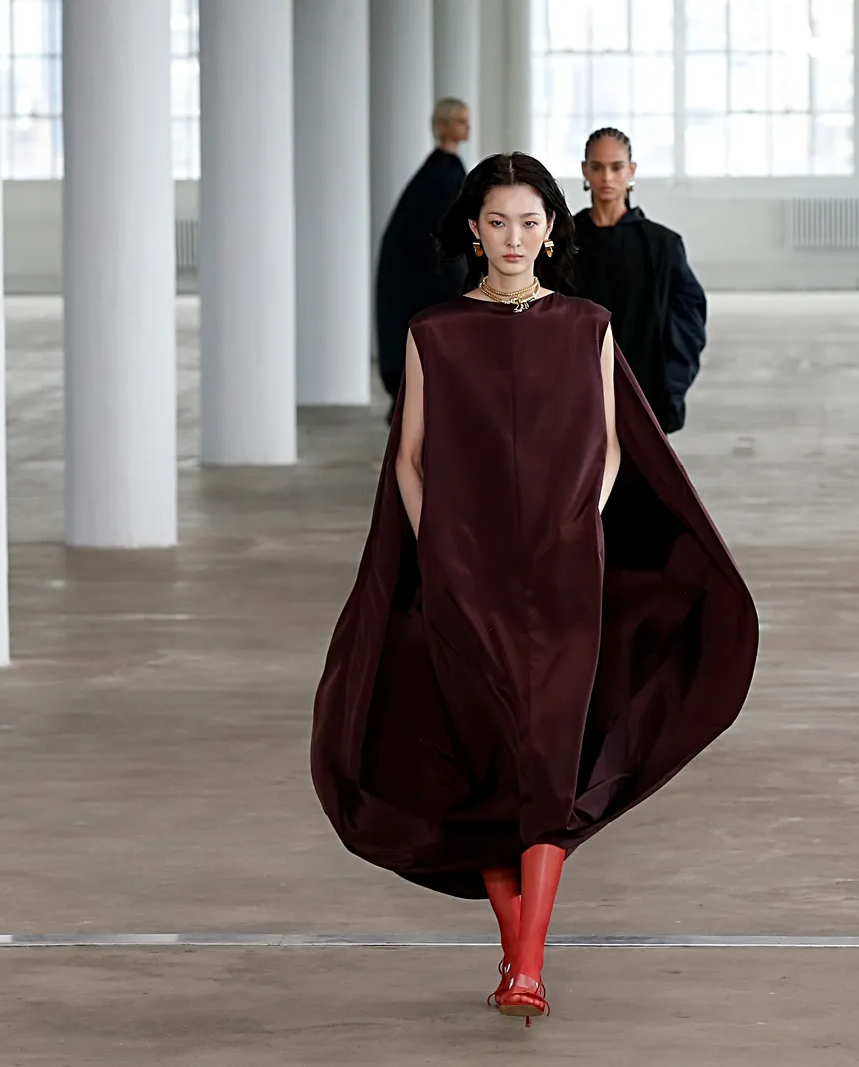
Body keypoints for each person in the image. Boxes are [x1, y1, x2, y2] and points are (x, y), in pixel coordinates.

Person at [310, 152, 759, 1024]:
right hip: (463, 568)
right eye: (496, 222)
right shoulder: (434, 330)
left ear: (552, 229)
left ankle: (527, 961)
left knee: (547, 754)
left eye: (528, 221)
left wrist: (579, 517)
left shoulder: (586, 324)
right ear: (473, 230)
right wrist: (436, 540)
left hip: (563, 568)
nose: (513, 238)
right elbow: (408, 456)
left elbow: (616, 439)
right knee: (485, 750)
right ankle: (523, 952)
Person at [572, 128, 708, 433]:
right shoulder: (562, 243)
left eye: (616, 167)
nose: (607, 177)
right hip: (576, 400)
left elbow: (689, 321)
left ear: (631, 171)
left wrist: (670, 386)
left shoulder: (662, 245)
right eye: (597, 167)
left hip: (646, 398)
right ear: (585, 170)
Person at [373, 98, 471, 417]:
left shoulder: (447, 169)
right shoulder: (438, 173)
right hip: (429, 277)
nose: (466, 126)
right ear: (442, 126)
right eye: (459, 120)